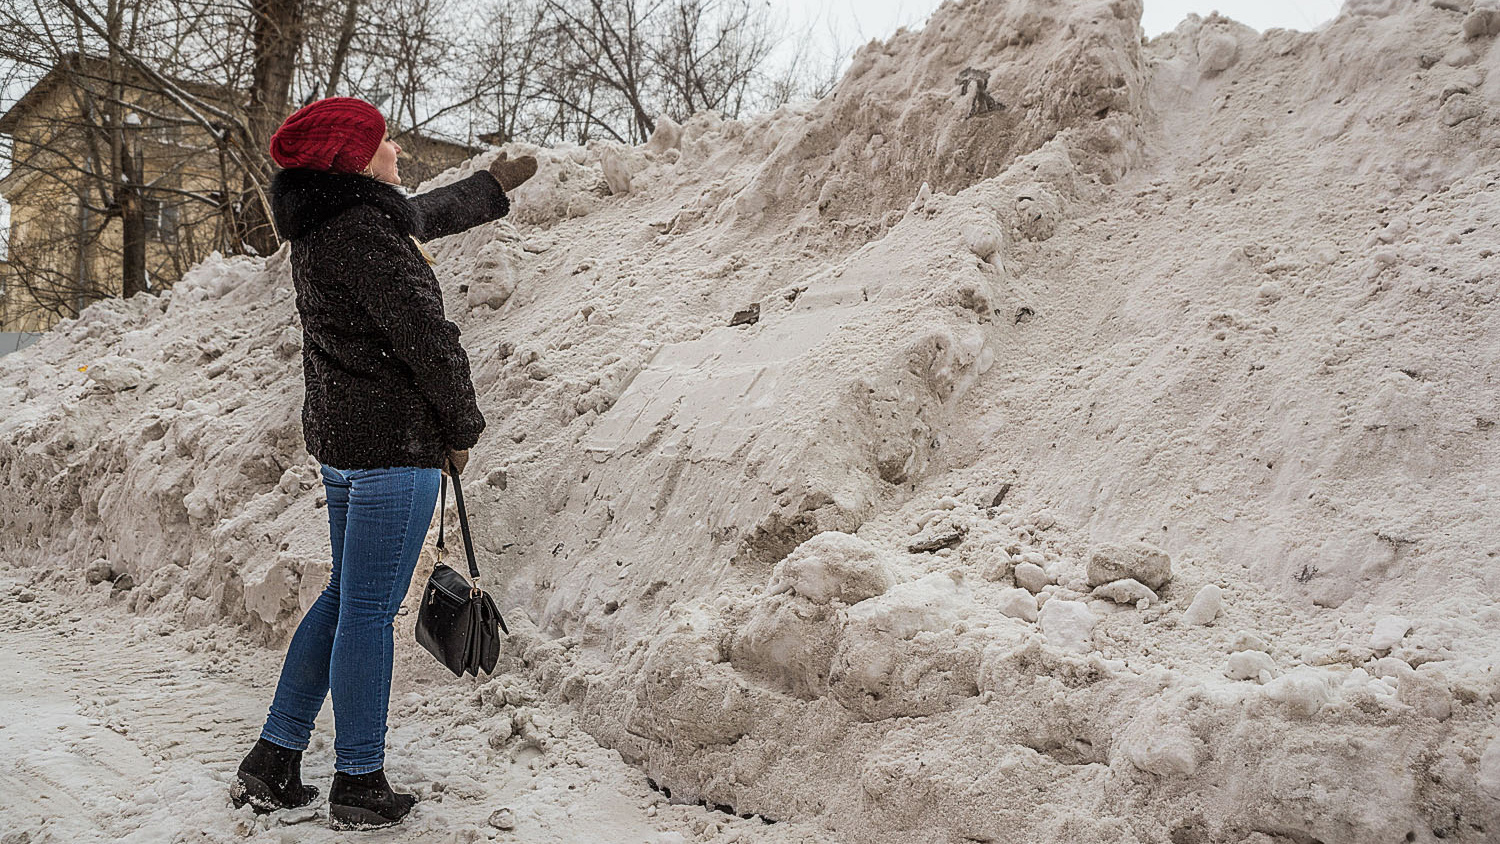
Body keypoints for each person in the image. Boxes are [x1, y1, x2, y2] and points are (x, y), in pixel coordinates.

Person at [228, 96, 537, 830]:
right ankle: (359, 781)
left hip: (346, 444)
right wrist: (461, 426)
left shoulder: (328, 220)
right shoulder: (364, 231)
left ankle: (273, 759)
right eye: (382, 139)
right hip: (392, 448)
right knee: (367, 612)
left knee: (344, 600)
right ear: (356, 160)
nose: (395, 145)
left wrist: (488, 190)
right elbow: (429, 338)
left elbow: (416, 215)